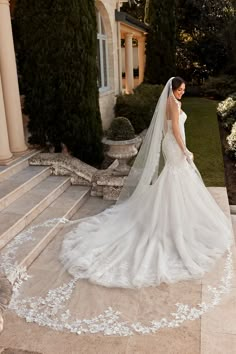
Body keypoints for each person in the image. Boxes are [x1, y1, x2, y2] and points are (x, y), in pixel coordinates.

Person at [58, 77, 233, 288]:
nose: (182, 93)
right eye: (180, 90)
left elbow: (173, 128)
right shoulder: (170, 102)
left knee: (176, 179)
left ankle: (176, 217)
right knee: (175, 176)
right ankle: (171, 222)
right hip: (175, 145)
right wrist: (185, 149)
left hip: (174, 144)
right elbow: (175, 130)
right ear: (173, 89)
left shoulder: (174, 102)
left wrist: (181, 145)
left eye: (184, 90)